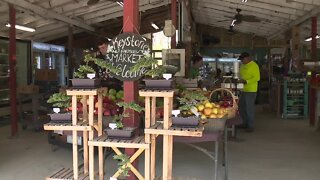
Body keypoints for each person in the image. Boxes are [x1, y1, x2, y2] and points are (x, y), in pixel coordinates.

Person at [238, 52, 260, 132]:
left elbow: (257, 78)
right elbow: (240, 75)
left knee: (249, 108)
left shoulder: (254, 66)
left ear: (247, 58)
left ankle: (250, 126)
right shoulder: (243, 65)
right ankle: (244, 123)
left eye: (242, 59)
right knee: (241, 106)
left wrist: (246, 81)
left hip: (251, 90)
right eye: (241, 60)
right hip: (243, 90)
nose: (241, 61)